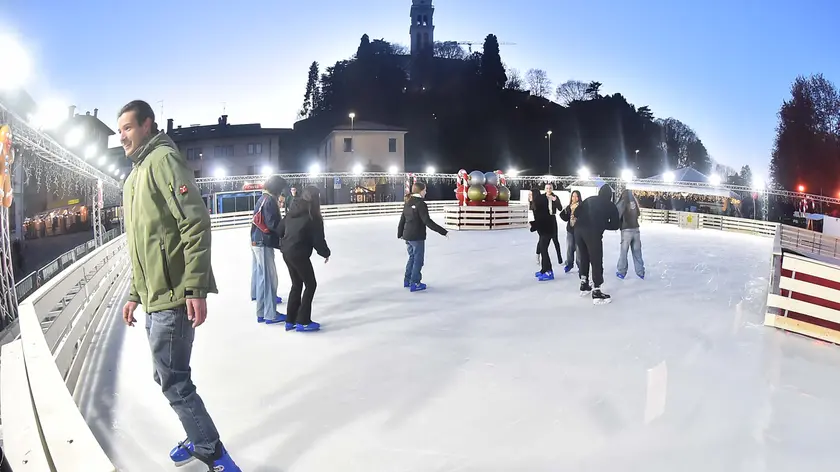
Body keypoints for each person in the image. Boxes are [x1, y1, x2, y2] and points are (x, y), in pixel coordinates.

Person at [117, 100, 241, 471]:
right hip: (154, 297)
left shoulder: (162, 161)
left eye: (128, 127)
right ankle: (196, 433)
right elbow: (141, 243)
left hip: (174, 295)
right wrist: (134, 294)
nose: (122, 135)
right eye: (119, 129)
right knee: (164, 373)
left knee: (174, 381)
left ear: (147, 125)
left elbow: (194, 222)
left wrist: (196, 287)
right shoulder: (133, 178)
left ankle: (212, 451)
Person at [281, 186, 330, 332]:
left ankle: (290, 320)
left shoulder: (292, 212)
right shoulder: (312, 216)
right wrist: (325, 253)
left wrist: (286, 242)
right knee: (310, 284)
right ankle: (303, 321)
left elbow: (279, 229)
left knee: (296, 284)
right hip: (299, 253)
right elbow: (318, 240)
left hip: (287, 252)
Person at [573, 184, 620, 304]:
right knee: (596, 259)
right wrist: (603, 224)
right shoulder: (610, 205)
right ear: (610, 195)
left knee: (584, 257)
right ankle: (597, 292)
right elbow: (616, 225)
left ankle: (584, 284)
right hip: (592, 233)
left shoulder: (589, 199)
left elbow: (576, 212)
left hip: (578, 231)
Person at [252, 175, 289, 324]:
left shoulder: (262, 198)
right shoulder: (269, 201)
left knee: (263, 279)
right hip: (263, 242)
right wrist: (286, 231)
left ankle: (262, 312)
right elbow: (274, 224)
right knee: (269, 280)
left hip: (257, 241)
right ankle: (270, 314)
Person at [397, 181, 448, 291]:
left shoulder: (408, 201)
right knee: (418, 260)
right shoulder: (421, 203)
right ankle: (415, 283)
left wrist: (400, 233)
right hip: (417, 236)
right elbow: (427, 221)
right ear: (420, 191)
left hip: (407, 236)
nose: (426, 192)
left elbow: (402, 219)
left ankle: (407, 280)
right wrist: (443, 231)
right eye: (425, 190)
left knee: (412, 257)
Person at [616, 189, 645, 279]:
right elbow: (638, 214)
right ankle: (640, 272)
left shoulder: (623, 202)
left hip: (626, 230)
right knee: (637, 252)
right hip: (636, 230)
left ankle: (621, 271)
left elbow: (617, 214)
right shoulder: (634, 202)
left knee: (624, 252)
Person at [530, 186, 556, 281]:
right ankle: (543, 270)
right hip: (544, 230)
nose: (529, 196)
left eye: (530, 194)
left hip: (547, 230)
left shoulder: (540, 205)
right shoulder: (536, 204)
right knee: (542, 249)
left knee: (544, 251)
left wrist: (533, 225)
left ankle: (549, 272)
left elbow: (542, 219)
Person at [534, 183, 563, 267]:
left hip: (552, 219)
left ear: (552, 189)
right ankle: (538, 255)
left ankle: (559, 258)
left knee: (555, 239)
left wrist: (555, 200)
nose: (548, 190)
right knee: (542, 239)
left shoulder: (555, 197)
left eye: (550, 188)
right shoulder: (542, 197)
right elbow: (537, 208)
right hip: (544, 219)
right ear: (545, 189)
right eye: (547, 188)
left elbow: (560, 208)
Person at [558, 190, 582, 274]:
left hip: (579, 231)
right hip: (570, 230)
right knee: (569, 248)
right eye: (573, 196)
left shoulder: (582, 207)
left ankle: (580, 266)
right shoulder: (569, 207)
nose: (574, 198)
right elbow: (564, 217)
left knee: (579, 249)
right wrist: (564, 213)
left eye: (576, 196)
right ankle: (569, 264)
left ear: (579, 197)